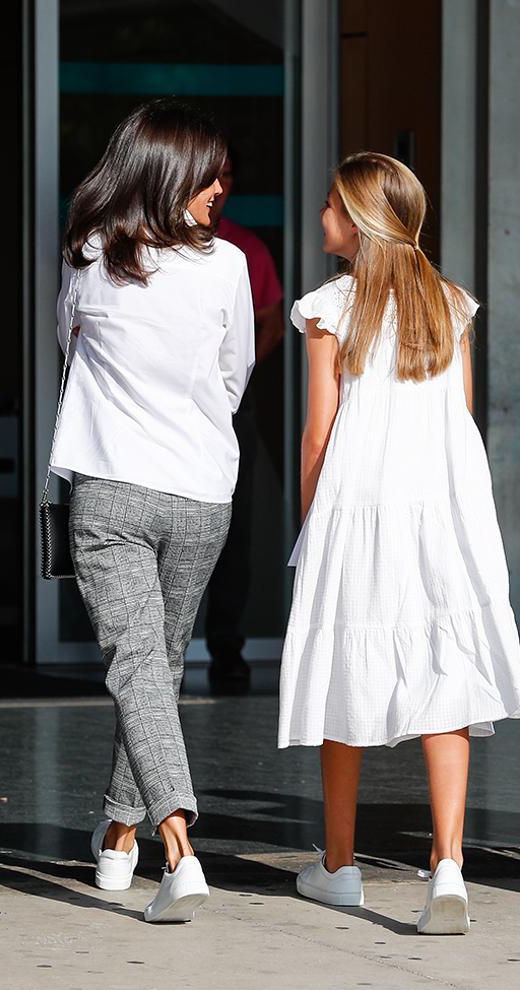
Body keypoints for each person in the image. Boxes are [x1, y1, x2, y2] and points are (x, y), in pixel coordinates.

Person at [278, 152, 520, 935]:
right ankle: (448, 864)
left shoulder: (329, 307)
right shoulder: (450, 305)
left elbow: (319, 431)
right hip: (445, 509)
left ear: (357, 220)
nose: (320, 215)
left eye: (329, 204)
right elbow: (458, 421)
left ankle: (339, 866)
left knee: (343, 670)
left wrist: (310, 523)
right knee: (445, 675)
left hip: (360, 505)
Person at [50, 100, 254, 923]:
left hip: (112, 484)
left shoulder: (90, 254)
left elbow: (68, 348)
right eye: (209, 171)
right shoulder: (229, 268)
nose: (220, 187)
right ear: (168, 173)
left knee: (144, 670)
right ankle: (124, 841)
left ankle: (169, 844)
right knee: (153, 667)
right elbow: (234, 375)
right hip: (201, 488)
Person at [204, 154, 284, 693]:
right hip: (171, 408)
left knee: (233, 529)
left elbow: (271, 325)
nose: (219, 186)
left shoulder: (244, 250)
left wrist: (230, 375)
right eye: (211, 174)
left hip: (233, 406)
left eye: (229, 176)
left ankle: (226, 650)